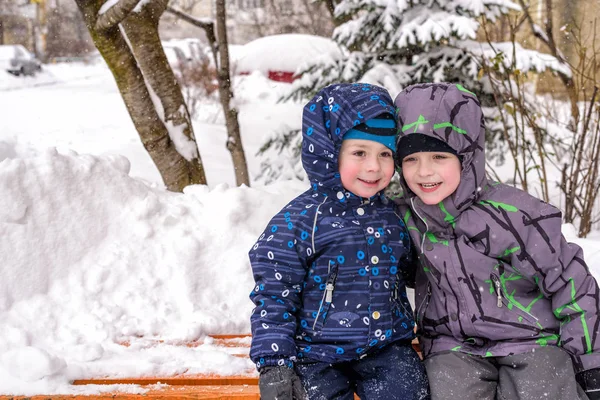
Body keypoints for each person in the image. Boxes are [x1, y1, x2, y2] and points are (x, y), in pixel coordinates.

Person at [393, 82, 600, 400]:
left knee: (544, 392)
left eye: (438, 156)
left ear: (467, 156)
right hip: (452, 347)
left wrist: (591, 364)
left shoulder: (514, 215)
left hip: (532, 338)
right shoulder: (406, 219)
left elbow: (571, 284)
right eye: (410, 159)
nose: (424, 171)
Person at [248, 83, 430, 400]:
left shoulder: (394, 214)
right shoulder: (298, 222)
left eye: (385, 154)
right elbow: (275, 297)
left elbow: (413, 272)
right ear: (330, 153)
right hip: (316, 355)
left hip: (385, 349)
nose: (374, 166)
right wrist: (275, 363)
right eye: (359, 152)